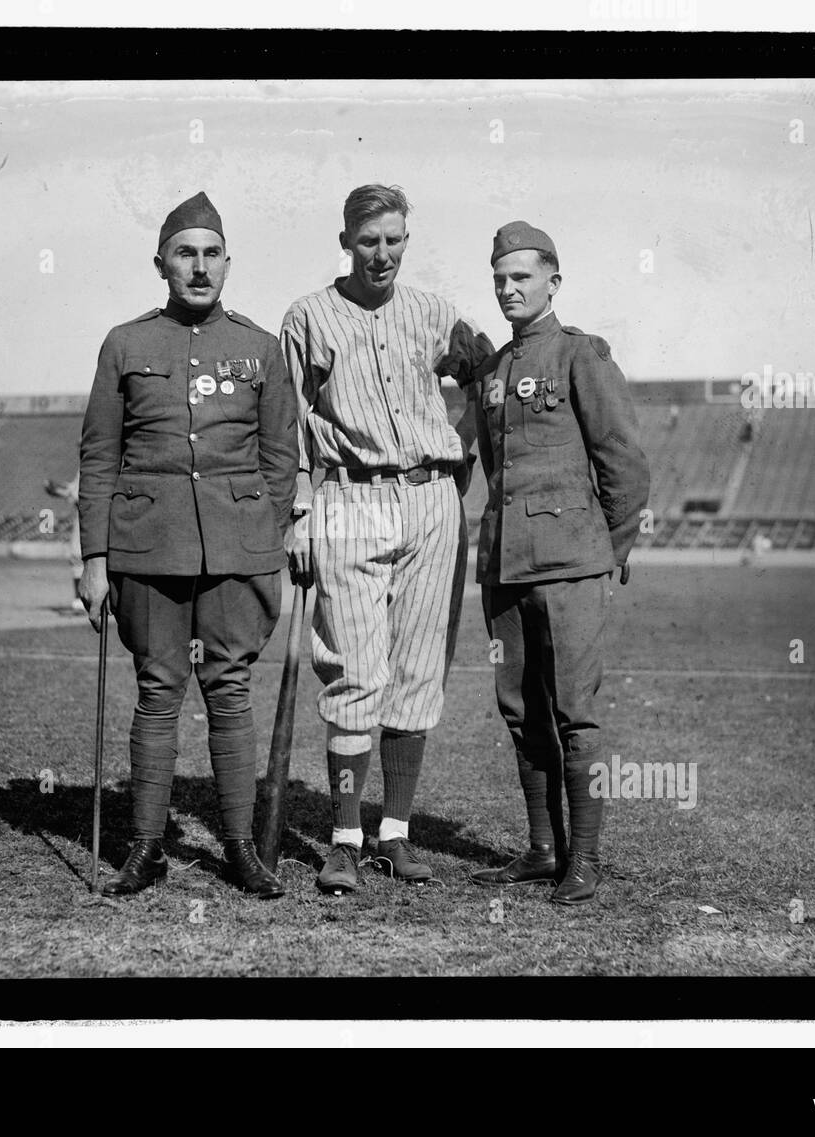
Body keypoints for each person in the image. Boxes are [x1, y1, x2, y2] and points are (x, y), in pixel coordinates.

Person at [78, 191, 299, 900]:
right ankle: (145, 847)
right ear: (161, 263)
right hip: (148, 545)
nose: (199, 268)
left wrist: (264, 542)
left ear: (227, 262)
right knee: (157, 691)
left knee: (230, 691)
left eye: (211, 255)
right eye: (185, 254)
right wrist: (92, 559)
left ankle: (240, 848)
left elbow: (279, 458)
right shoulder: (125, 343)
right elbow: (99, 456)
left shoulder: (261, 348)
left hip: (237, 549)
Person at [280, 184, 492, 894]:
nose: (383, 253)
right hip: (350, 495)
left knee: (415, 671)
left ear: (408, 239)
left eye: (395, 239)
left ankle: (394, 834)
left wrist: (458, 449)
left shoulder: (434, 312)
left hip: (430, 499)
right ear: (346, 241)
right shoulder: (308, 317)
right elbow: (288, 425)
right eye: (369, 240)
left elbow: (485, 374)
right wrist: (300, 511)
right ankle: (343, 837)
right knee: (354, 670)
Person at [467, 221, 650, 904]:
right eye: (499, 278)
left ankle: (587, 857)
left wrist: (612, 547)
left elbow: (623, 460)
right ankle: (544, 848)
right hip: (505, 567)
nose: (509, 288)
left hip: (571, 562)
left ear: (553, 281)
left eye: (521, 276)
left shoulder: (582, 355)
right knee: (520, 708)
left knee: (574, 710)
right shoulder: (491, 372)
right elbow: (497, 467)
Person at [43, 474, 84, 612]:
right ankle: (80, 599)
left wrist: (60, 490)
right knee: (77, 554)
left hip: (93, 513)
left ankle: (83, 599)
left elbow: (78, 493)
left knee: (79, 554)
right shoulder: (86, 460)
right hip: (84, 513)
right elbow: (74, 490)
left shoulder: (95, 457)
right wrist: (59, 489)